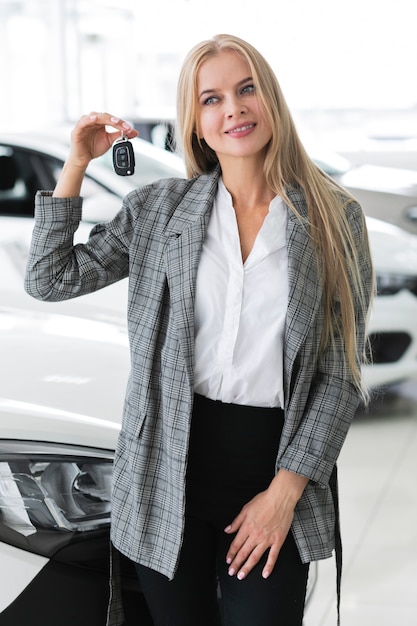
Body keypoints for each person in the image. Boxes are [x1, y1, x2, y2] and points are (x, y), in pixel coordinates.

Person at [25, 33, 374, 626]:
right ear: (197, 123)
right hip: (166, 468)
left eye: (246, 89)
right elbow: (50, 279)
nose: (233, 108)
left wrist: (283, 496)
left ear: (272, 100)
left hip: (271, 468)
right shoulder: (161, 210)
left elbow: (338, 376)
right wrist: (77, 163)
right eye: (211, 99)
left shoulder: (332, 219)